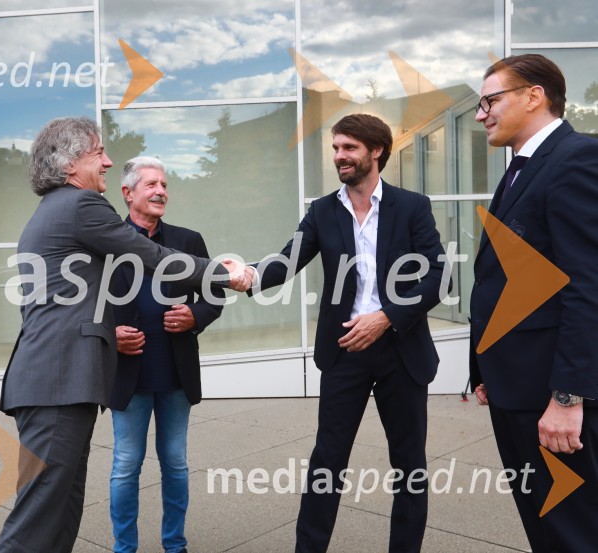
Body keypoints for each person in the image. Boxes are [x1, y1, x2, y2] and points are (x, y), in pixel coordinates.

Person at [0, 117, 246, 553]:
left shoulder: (55, 210)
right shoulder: (79, 206)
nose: (108, 161)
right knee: (36, 519)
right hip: (57, 382)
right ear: (71, 163)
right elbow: (150, 254)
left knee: (61, 512)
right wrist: (224, 273)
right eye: (98, 153)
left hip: (60, 381)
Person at [251, 114, 447, 553]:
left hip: (401, 349)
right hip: (345, 352)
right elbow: (287, 260)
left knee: (409, 463)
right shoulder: (322, 211)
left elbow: (438, 276)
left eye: (348, 148)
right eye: (336, 148)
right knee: (327, 460)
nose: (339, 156)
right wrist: (246, 275)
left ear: (375, 151)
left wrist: (386, 316)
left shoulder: (412, 206)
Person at [470, 54, 598, 552]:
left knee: (573, 531)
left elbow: (587, 287)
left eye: (490, 100)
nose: (482, 114)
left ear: (533, 95)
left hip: (552, 398)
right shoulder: (521, 169)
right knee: (545, 525)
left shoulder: (576, 159)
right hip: (516, 390)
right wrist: (483, 368)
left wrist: (568, 398)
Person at [107, 157, 224, 553]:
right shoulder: (105, 241)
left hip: (176, 371)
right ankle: (126, 548)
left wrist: (196, 316)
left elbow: (215, 294)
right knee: (126, 465)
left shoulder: (188, 240)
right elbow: (82, 302)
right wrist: (109, 334)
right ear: (128, 193)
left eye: (164, 184)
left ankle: (175, 544)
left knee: (175, 462)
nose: (161, 191)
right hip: (128, 372)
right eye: (151, 184)